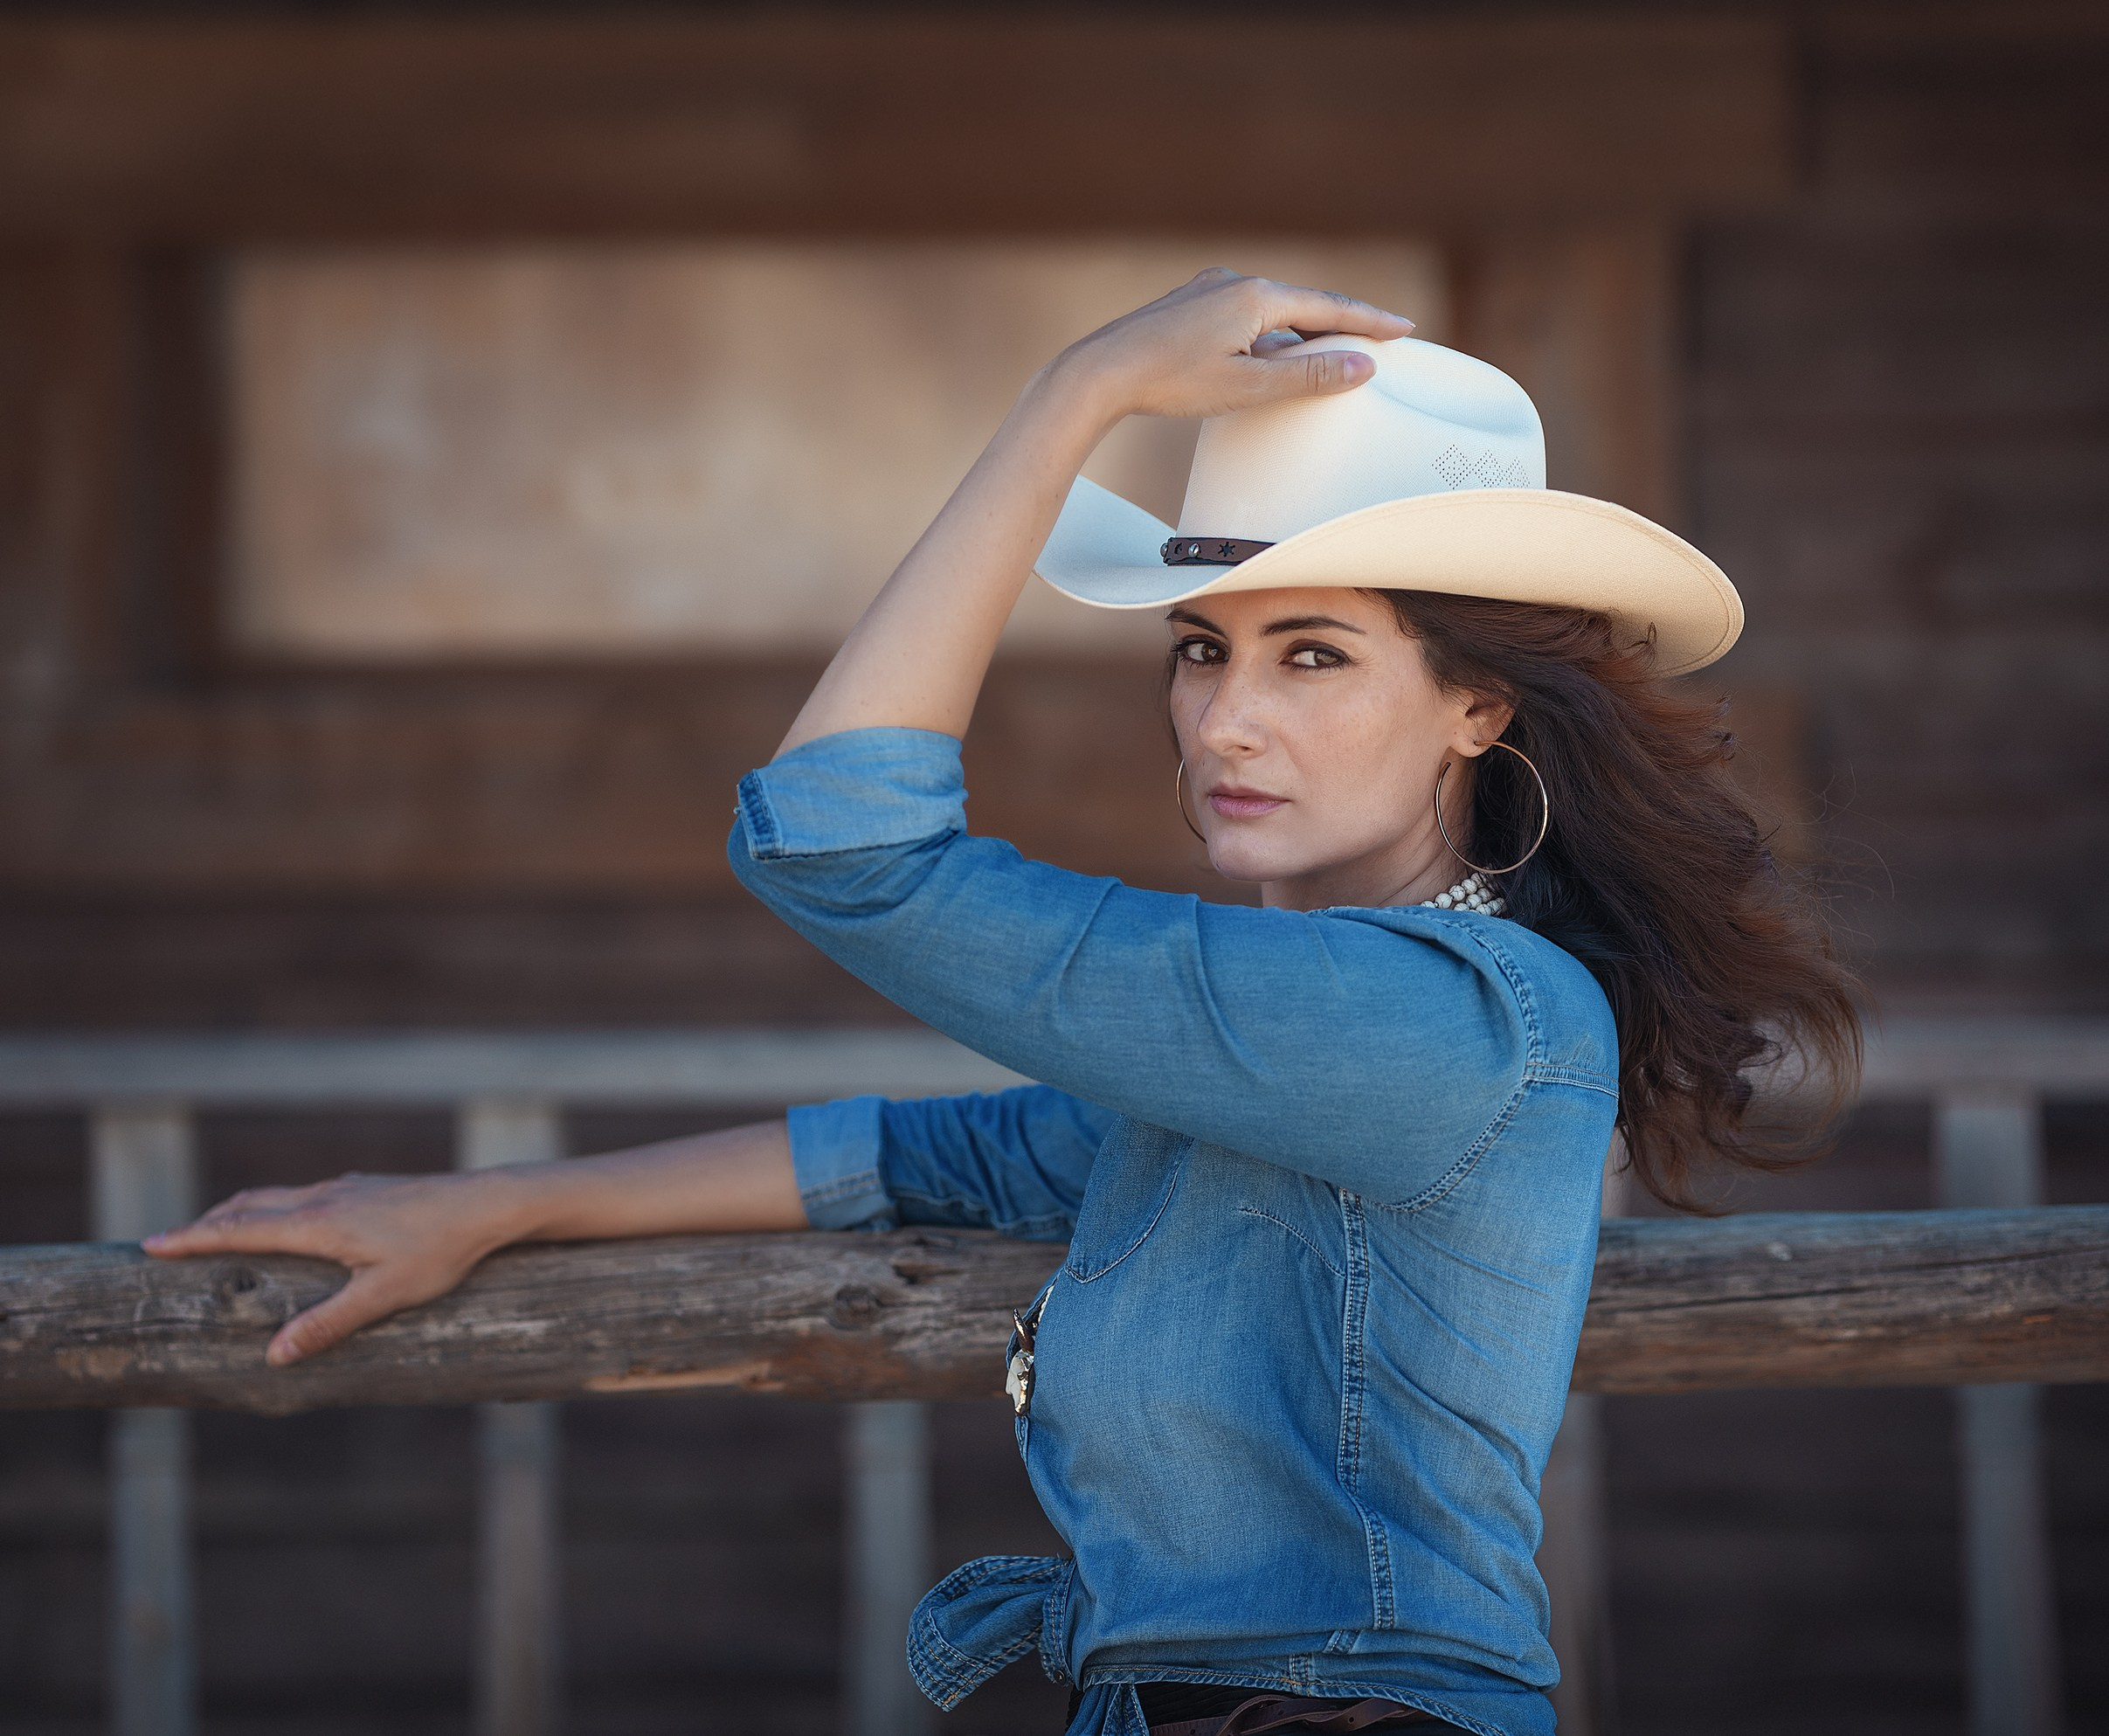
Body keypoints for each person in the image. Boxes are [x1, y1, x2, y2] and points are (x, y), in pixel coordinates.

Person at [149, 271, 1860, 1736]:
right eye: (1201, 646)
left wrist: (1079, 394)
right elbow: (931, 1156)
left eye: (1313, 654)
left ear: (1478, 711)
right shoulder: (1296, 1044)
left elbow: (848, 846)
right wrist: (492, 1205)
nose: (1225, 720)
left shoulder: (1440, 1024)